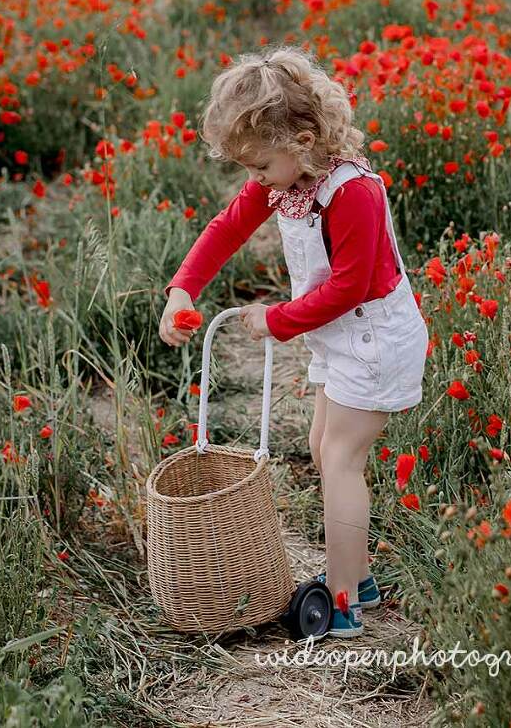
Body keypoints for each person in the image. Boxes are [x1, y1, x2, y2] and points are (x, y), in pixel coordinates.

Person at [158, 45, 427, 640]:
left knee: (340, 459)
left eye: (258, 165)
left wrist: (275, 319)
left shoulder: (354, 192)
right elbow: (226, 228)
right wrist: (182, 290)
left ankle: (343, 604)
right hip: (340, 334)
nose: (252, 180)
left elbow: (353, 285)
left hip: (374, 336)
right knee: (320, 444)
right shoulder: (284, 182)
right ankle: (358, 579)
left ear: (301, 141)